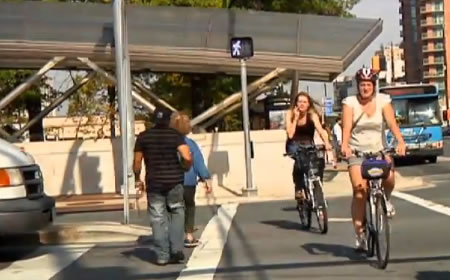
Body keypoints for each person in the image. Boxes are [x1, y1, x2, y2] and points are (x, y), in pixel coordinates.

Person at [341, 67, 406, 251]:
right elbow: (346, 128)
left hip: (379, 149)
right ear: (358, 86)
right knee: (359, 190)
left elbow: (392, 123)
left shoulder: (383, 101)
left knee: (390, 177)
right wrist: (345, 146)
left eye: (369, 84)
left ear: (374, 86)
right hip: (357, 151)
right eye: (362, 84)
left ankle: (386, 199)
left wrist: (400, 141)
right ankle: (360, 234)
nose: (365, 88)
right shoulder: (350, 102)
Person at [133, 107, 193, 266]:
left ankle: (162, 255)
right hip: (174, 181)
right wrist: (185, 167)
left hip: (154, 183)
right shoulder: (175, 136)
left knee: (157, 218)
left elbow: (137, 162)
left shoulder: (143, 137)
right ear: (168, 120)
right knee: (177, 211)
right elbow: (187, 156)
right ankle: (176, 249)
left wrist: (138, 178)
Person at [170, 112, 213, 248]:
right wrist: (205, 178)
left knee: (172, 208)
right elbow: (198, 162)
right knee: (189, 206)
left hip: (170, 180)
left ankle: (172, 236)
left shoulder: (167, 143)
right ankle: (189, 235)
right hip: (188, 180)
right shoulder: (190, 143)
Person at [285, 92, 332, 200]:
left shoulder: (312, 115)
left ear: (308, 104)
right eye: (300, 101)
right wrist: (296, 119)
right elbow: (290, 134)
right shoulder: (290, 114)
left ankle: (316, 186)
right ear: (296, 103)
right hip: (294, 144)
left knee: (317, 161)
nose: (302, 104)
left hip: (308, 143)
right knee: (299, 161)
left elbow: (320, 130)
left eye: (304, 102)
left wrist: (327, 143)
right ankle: (298, 188)